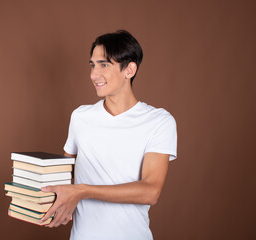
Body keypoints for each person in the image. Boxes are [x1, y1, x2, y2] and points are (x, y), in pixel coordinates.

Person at [40, 30, 177, 240]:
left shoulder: (159, 121)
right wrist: (30, 201)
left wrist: (83, 191)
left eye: (104, 65)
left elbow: (150, 192)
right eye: (92, 65)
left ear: (129, 69)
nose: (94, 74)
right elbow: (63, 177)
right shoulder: (80, 117)